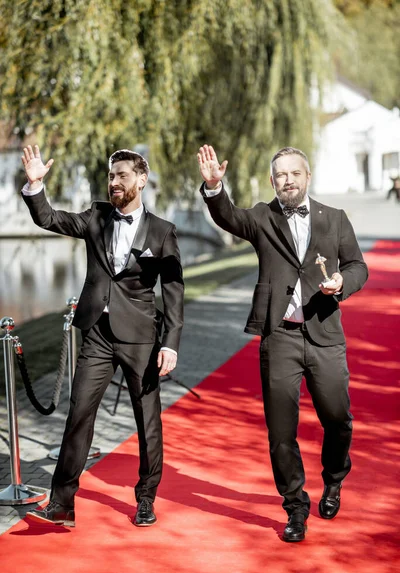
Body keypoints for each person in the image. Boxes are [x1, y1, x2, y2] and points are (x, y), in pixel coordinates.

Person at [197, 144, 368, 542]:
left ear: (307, 177)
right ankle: (295, 507)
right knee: (280, 433)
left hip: (325, 335)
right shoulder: (262, 216)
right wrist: (214, 187)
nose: (286, 180)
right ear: (272, 181)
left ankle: (335, 476)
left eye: (293, 173)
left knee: (338, 420)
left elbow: (358, 265)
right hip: (280, 338)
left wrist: (343, 283)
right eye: (279, 175)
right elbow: (229, 217)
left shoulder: (335, 219)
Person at [21, 144, 184, 528]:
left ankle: (146, 498)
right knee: (78, 415)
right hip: (96, 334)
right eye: (110, 176)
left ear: (141, 180)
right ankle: (62, 505)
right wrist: (35, 186)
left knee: (147, 421)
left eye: (122, 175)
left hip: (141, 338)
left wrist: (170, 343)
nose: (114, 182)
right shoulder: (95, 216)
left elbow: (175, 293)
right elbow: (50, 218)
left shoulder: (162, 232)